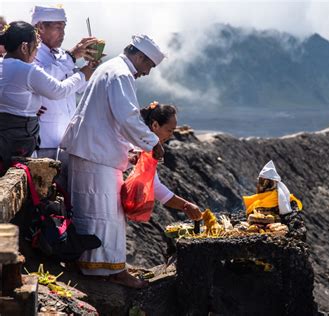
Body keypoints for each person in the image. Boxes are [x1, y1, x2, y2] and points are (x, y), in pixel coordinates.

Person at [61, 34, 201, 288]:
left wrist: (131, 148)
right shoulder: (121, 74)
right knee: (104, 215)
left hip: (93, 150)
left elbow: (114, 120)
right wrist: (151, 143)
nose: (147, 72)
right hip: (97, 154)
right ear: (139, 57)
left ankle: (91, 265)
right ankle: (111, 271)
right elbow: (126, 117)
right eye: (149, 65)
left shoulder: (110, 68)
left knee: (91, 212)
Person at [0, 21, 94, 175]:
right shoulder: (27, 70)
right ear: (24, 47)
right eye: (35, 46)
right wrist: (83, 74)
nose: (36, 52)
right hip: (19, 141)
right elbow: (59, 91)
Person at [31, 5, 99, 187]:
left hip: (67, 139)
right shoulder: (33, 55)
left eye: (64, 27)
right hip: (45, 139)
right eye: (58, 27)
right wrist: (71, 57)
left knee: (66, 196)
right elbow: (48, 81)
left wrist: (89, 68)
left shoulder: (62, 55)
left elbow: (77, 88)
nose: (62, 33)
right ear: (40, 28)